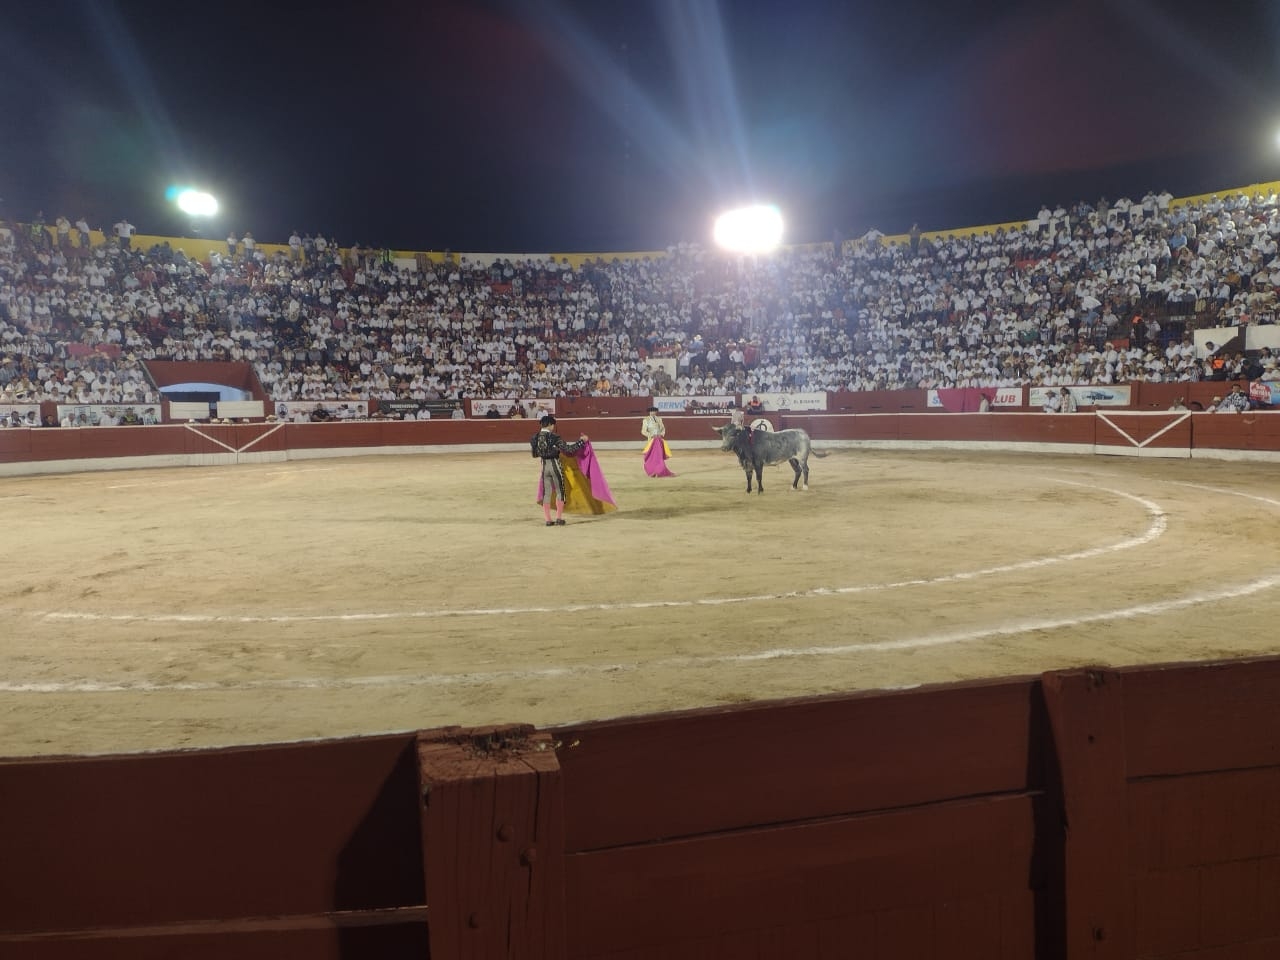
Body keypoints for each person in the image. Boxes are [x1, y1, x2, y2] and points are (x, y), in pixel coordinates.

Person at [533, 414, 588, 526]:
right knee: (560, 491)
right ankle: (558, 518)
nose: (553, 427)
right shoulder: (554, 438)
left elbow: (535, 454)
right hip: (555, 466)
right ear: (550, 425)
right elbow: (569, 450)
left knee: (546, 493)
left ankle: (548, 520)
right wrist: (581, 441)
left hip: (544, 467)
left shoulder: (534, 438)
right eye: (553, 425)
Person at [640, 405, 675, 477]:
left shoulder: (659, 419)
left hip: (659, 440)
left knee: (659, 457)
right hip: (652, 441)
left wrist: (661, 434)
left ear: (656, 412)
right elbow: (643, 431)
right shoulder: (646, 420)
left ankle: (659, 471)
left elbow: (663, 429)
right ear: (649, 412)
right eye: (651, 411)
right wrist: (651, 435)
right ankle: (652, 471)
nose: (653, 412)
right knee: (652, 457)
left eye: (654, 411)